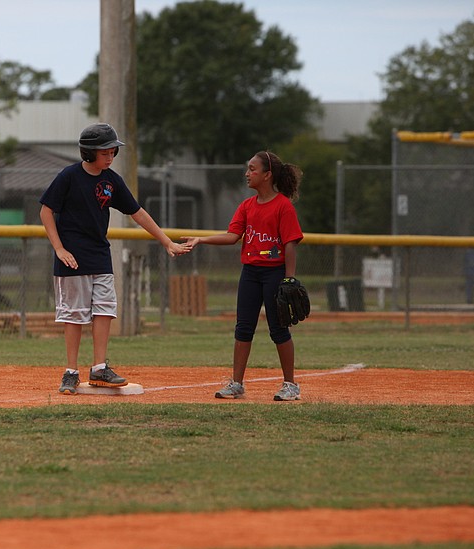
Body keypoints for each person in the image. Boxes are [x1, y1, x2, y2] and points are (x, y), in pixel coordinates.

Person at [40, 123, 190, 395]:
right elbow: (46, 211)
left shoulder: (111, 180)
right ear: (88, 153)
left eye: (113, 152)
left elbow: (137, 212)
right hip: (71, 256)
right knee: (74, 315)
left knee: (105, 309)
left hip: (100, 254)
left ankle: (99, 368)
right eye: (105, 152)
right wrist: (59, 249)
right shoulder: (69, 176)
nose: (110, 157)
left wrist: (166, 240)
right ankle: (70, 371)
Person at [184, 151, 303, 401]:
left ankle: (290, 385)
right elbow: (232, 236)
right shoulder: (247, 206)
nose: (247, 174)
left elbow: (290, 244)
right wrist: (201, 239)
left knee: (278, 330)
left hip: (274, 273)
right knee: (243, 328)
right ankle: (236, 383)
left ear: (267, 175)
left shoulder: (283, 206)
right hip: (250, 273)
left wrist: (289, 279)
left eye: (252, 169)